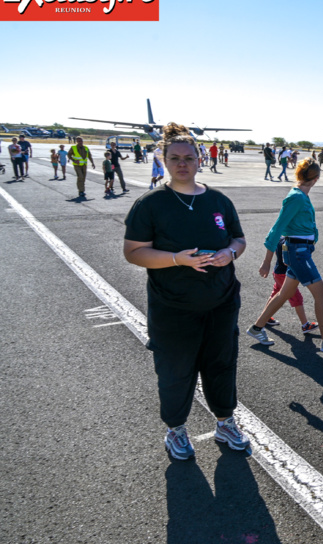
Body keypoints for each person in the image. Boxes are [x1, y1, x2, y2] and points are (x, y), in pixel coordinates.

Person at [123, 122, 251, 460]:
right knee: (176, 370)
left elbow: (239, 239)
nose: (183, 163)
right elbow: (133, 251)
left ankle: (225, 422)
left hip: (221, 302)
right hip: (173, 308)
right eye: (175, 157)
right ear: (164, 159)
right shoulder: (150, 204)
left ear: (200, 160)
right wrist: (177, 259)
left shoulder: (218, 200)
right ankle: (176, 430)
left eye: (189, 157)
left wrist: (231, 253)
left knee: (222, 364)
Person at [247, 159, 323, 353]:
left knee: (284, 293)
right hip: (298, 253)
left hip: (301, 251)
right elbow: (277, 228)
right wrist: (266, 261)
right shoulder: (296, 197)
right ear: (316, 179)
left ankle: (256, 328)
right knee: (322, 293)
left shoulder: (301, 195)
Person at [259, 236, 319, 335]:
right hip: (284, 274)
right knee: (297, 298)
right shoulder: (289, 242)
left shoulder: (280, 238)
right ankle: (305, 325)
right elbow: (287, 260)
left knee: (275, 294)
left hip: (277, 272)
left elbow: (276, 253)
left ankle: (266, 317)